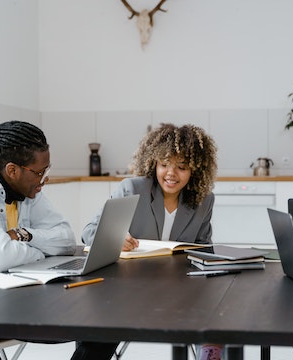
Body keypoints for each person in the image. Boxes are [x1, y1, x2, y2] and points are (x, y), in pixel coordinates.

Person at [0, 121, 118, 360]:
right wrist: (37, 252)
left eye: (47, 170)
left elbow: (65, 238)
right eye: (40, 172)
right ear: (12, 170)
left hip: (7, 293)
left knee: (105, 319)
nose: (45, 179)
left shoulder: (27, 192)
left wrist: (22, 236)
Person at [81, 123, 222, 360]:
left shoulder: (204, 200)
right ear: (153, 163)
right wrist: (114, 238)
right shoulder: (132, 188)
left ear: (195, 169)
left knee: (218, 310)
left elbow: (203, 247)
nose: (171, 173)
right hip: (129, 288)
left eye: (182, 167)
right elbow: (89, 232)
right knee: (99, 327)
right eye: (164, 164)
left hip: (181, 290)